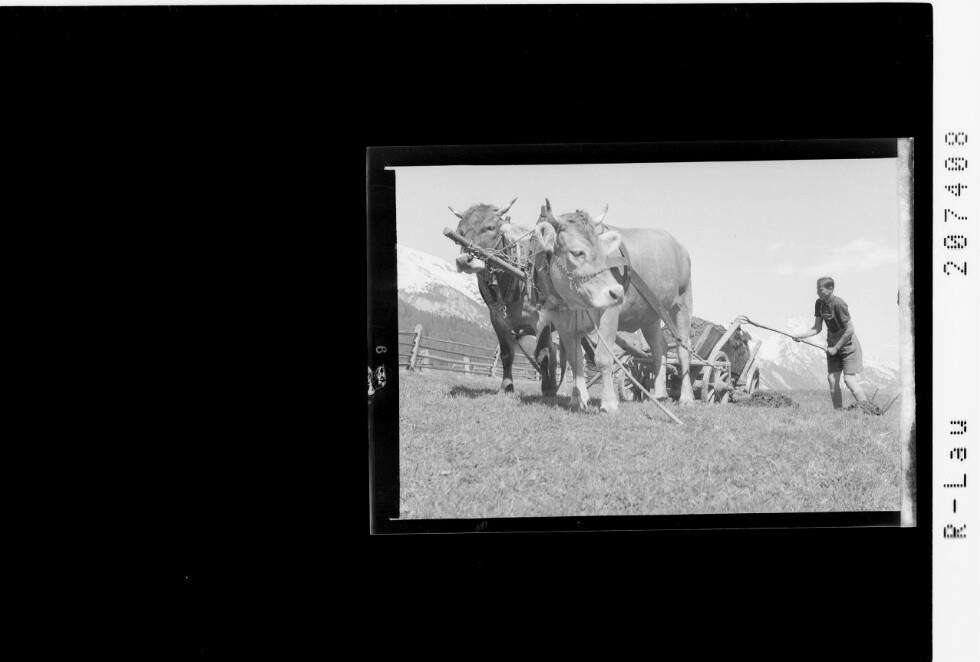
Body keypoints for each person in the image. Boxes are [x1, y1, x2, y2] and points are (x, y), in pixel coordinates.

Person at [793, 277, 869, 410]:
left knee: (849, 380)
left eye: (820, 289)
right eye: (817, 289)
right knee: (832, 380)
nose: (817, 292)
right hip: (832, 344)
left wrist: (836, 348)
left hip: (848, 346)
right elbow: (817, 327)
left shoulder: (839, 304)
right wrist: (802, 336)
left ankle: (869, 410)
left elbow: (850, 330)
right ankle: (838, 412)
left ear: (831, 289)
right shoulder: (819, 304)